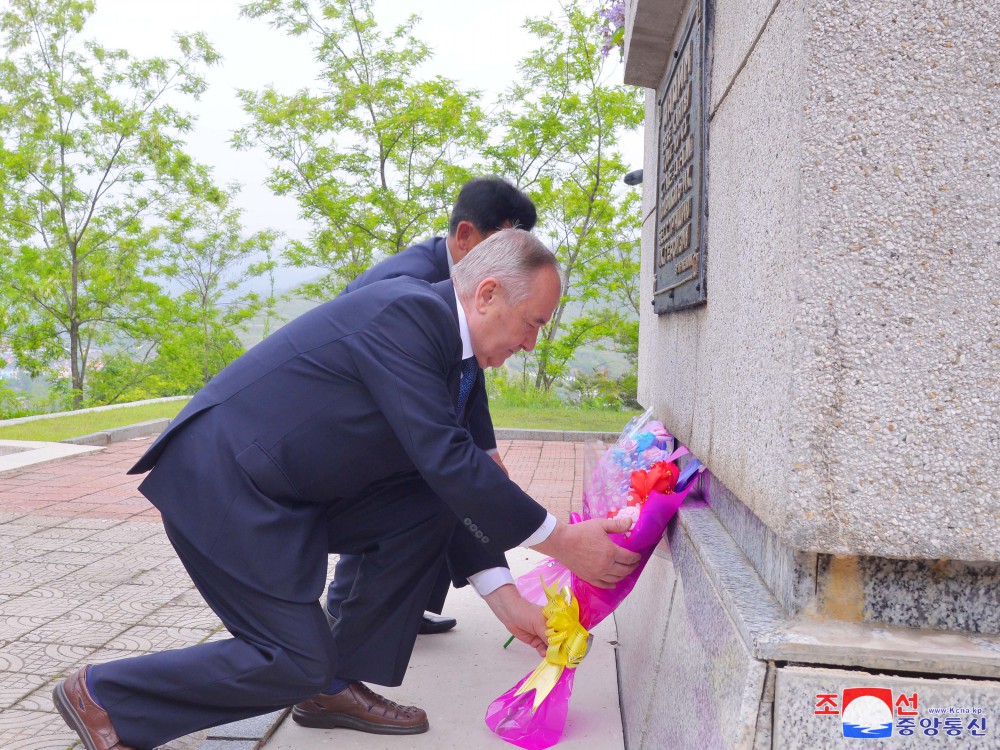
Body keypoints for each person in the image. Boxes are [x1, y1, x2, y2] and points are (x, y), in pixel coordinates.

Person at [53, 229, 641, 750]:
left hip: (292, 493)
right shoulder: (408, 315)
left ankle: (328, 684)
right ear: (487, 295)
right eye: (534, 323)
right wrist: (561, 540)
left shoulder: (451, 354)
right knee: (292, 660)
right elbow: (448, 456)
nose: (532, 344)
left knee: (427, 503)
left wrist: (508, 602)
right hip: (229, 485)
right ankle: (106, 695)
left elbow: (445, 481)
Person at [328, 176, 537, 644]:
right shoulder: (407, 285)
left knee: (448, 484)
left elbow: (470, 371)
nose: (512, 267)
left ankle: (403, 606)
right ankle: (343, 616)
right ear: (465, 236)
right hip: (363, 416)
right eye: (502, 247)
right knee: (405, 495)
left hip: (408, 405)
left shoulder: (466, 288)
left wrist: (484, 445)